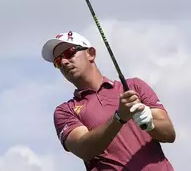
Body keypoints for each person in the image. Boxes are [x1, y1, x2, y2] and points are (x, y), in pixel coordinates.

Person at [42, 31, 176, 170]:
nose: (64, 61)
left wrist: (149, 124)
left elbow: (169, 134)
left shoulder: (134, 86)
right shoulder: (65, 111)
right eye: (57, 61)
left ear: (91, 54)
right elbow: (85, 150)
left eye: (69, 53)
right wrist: (119, 117)